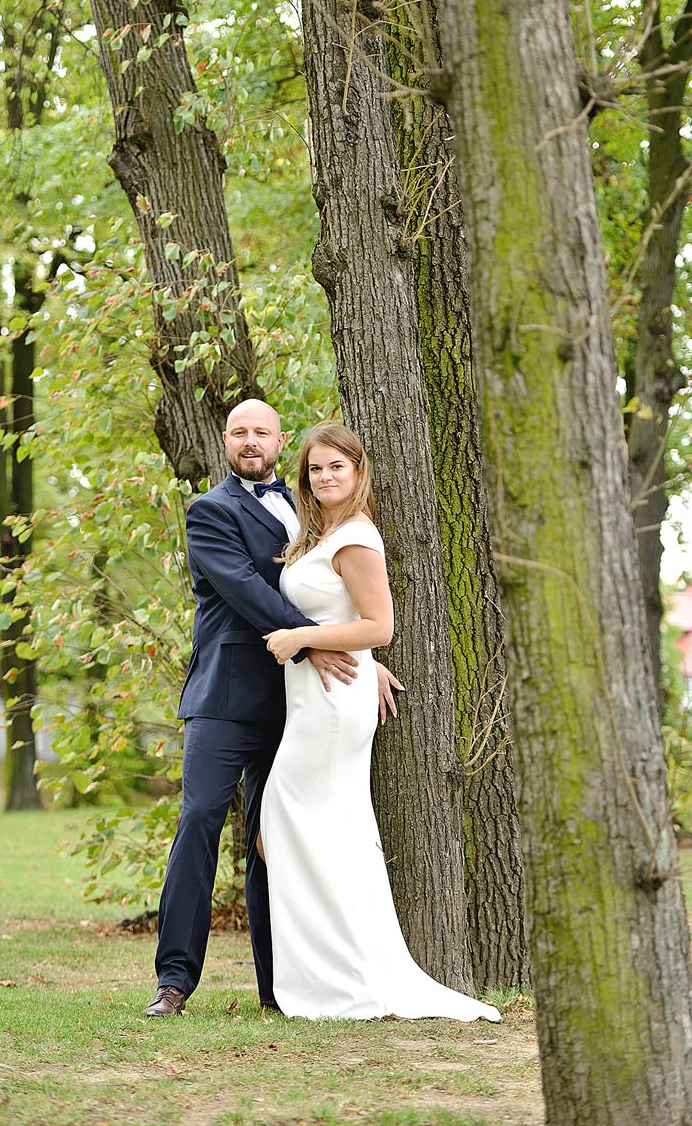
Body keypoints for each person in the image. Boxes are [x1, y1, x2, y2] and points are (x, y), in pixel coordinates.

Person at [143, 400, 400, 1018]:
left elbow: (337, 593)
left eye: (262, 432)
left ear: (281, 441)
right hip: (226, 698)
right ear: (224, 440)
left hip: (299, 702)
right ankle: (174, 981)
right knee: (200, 821)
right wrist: (316, 643)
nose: (251, 441)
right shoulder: (210, 511)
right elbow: (247, 591)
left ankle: (277, 986)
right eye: (240, 432)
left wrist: (360, 655)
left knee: (276, 838)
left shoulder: (307, 510)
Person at [260, 422, 501, 1022]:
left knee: (297, 819)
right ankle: (332, 971)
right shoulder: (321, 533)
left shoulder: (356, 537)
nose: (324, 477)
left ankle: (344, 979)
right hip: (315, 698)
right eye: (315, 468)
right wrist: (351, 655)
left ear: (358, 471)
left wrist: (301, 639)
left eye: (336, 466)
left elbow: (379, 626)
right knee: (317, 830)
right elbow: (346, 619)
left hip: (332, 706)